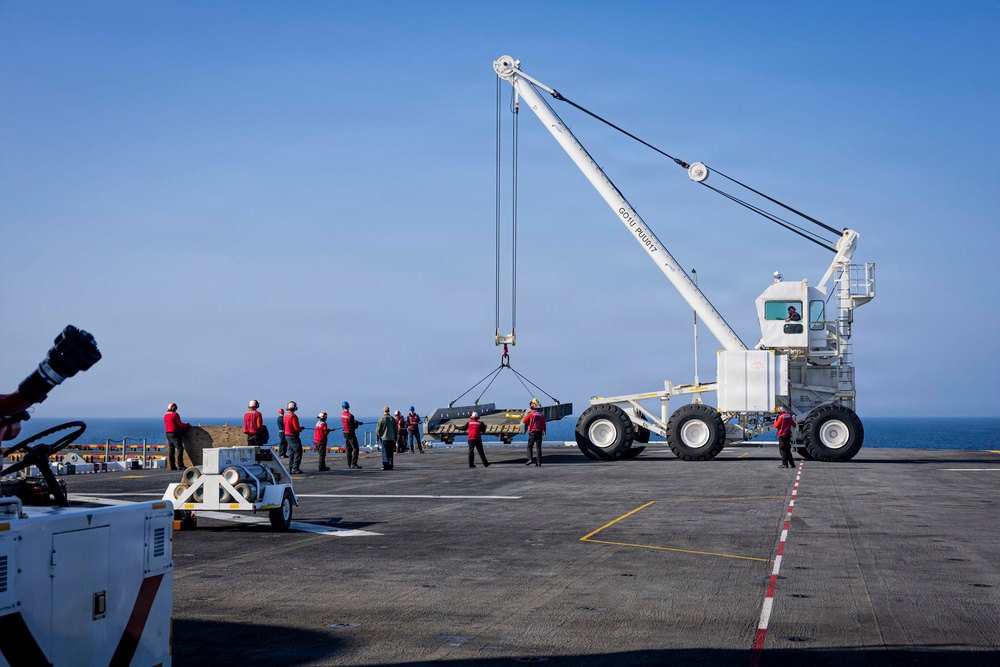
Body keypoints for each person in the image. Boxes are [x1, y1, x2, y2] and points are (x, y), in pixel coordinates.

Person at [164, 402, 191, 471]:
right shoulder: (175, 415)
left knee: (171, 449)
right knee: (180, 448)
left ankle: (172, 466)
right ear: (174, 408)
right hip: (174, 433)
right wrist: (187, 425)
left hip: (168, 433)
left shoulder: (165, 415)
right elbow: (180, 424)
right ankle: (180, 465)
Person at [521, 399, 546, 466]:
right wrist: (544, 431)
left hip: (532, 432)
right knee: (538, 448)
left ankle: (530, 459)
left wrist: (525, 415)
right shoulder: (541, 414)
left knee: (530, 446)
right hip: (540, 432)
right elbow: (544, 424)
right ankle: (539, 462)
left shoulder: (530, 414)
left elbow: (524, 421)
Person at [283, 401, 305, 474]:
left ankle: (291, 468)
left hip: (287, 435)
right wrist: (300, 428)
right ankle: (295, 468)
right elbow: (296, 428)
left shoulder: (285, 416)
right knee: (298, 451)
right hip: (293, 435)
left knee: (291, 452)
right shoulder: (293, 416)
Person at [341, 401, 363, 469]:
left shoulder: (342, 415)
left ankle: (349, 464)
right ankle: (354, 463)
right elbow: (354, 426)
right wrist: (357, 424)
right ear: (348, 407)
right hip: (351, 433)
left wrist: (356, 422)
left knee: (348, 449)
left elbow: (349, 422)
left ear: (343, 408)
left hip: (345, 433)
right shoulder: (350, 416)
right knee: (356, 448)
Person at [376, 406, 398, 470]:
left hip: (384, 438)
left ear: (383, 411)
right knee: (390, 452)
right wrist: (395, 437)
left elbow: (378, 430)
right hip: (391, 438)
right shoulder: (392, 419)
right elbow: (396, 429)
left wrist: (377, 438)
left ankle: (386, 465)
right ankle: (390, 465)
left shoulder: (381, 419)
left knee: (385, 452)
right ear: (389, 411)